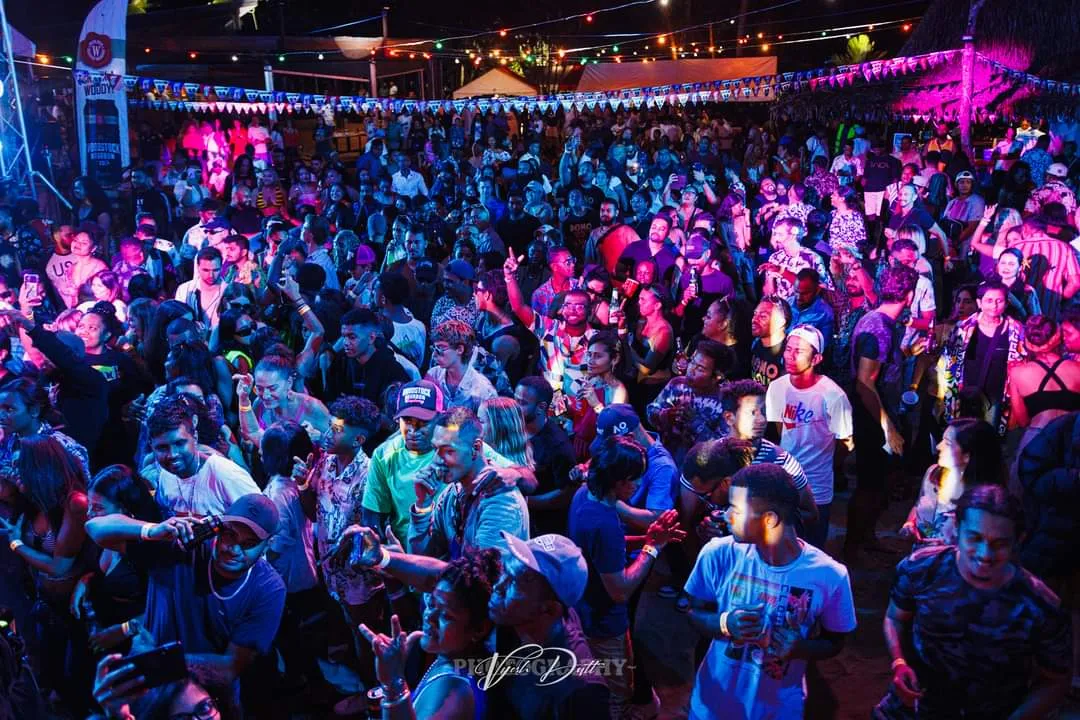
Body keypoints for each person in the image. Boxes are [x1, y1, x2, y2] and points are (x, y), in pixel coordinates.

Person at [681, 464, 857, 720]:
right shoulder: (717, 553)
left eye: (736, 510)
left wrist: (800, 648)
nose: (726, 515)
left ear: (769, 519)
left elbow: (835, 642)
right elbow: (692, 610)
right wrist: (724, 623)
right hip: (711, 706)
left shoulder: (830, 575)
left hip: (778, 710)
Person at [85, 493, 287, 713]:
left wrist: (159, 663)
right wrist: (152, 530)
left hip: (206, 693)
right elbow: (95, 528)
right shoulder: (183, 546)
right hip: (153, 682)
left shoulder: (268, 588)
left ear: (268, 545)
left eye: (249, 543)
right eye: (230, 534)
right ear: (219, 525)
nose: (234, 548)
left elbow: (230, 667)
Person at [881, 485, 1070, 719]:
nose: (985, 554)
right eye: (975, 538)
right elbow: (895, 618)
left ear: (1018, 540)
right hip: (911, 710)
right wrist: (899, 662)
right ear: (957, 529)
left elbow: (1056, 681)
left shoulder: (1040, 605)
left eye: (1000, 543)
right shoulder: (920, 569)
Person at [568, 435, 685, 717]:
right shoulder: (603, 522)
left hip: (585, 610)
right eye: (634, 479)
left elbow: (606, 550)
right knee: (616, 695)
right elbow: (620, 590)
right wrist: (652, 548)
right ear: (618, 481)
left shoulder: (585, 495)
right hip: (604, 623)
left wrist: (648, 536)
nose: (636, 486)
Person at [357, 550, 501, 720]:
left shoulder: (455, 691)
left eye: (446, 616)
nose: (429, 617)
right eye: (432, 604)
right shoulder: (449, 660)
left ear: (478, 630)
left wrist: (394, 684)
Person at [844, 264, 918, 558]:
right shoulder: (878, 328)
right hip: (871, 418)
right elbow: (865, 382)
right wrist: (889, 428)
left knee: (877, 484)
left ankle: (867, 538)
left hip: (877, 414)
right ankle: (853, 547)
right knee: (869, 484)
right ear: (909, 296)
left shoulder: (880, 322)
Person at [765, 326, 853, 549]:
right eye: (788, 348)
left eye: (800, 351)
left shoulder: (833, 395)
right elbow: (780, 430)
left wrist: (824, 463)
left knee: (811, 548)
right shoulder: (776, 388)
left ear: (817, 358)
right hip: (782, 482)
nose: (790, 355)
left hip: (816, 487)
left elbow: (846, 442)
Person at [407, 406, 531, 559]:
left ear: (475, 448)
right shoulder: (450, 495)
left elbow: (482, 577)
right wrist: (422, 506)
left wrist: (392, 561)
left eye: (448, 451)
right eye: (435, 449)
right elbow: (424, 558)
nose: (436, 460)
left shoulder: (501, 501)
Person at [143, 394, 260, 518]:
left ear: (195, 437)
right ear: (152, 447)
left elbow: (266, 521)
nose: (172, 455)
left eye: (180, 443)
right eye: (162, 448)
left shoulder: (226, 474)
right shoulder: (166, 476)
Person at [939, 279, 1025, 434]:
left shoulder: (1016, 330)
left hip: (997, 396)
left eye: (999, 301)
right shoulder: (963, 328)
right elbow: (950, 364)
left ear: (1006, 304)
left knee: (987, 440)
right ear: (979, 302)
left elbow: (1020, 367)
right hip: (964, 394)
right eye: (989, 300)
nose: (994, 305)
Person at [900, 418, 1001, 546]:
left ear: (967, 456)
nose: (938, 446)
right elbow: (918, 506)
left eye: (947, 443)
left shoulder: (981, 500)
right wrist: (910, 523)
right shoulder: (933, 475)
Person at [647, 339, 731, 464]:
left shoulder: (727, 399)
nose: (691, 370)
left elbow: (722, 447)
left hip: (702, 469)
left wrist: (695, 422)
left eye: (700, 369)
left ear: (718, 376)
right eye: (692, 362)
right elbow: (650, 411)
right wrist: (664, 415)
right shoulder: (677, 384)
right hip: (666, 460)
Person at [1007, 315, 1080, 453]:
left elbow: (1022, 420)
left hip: (1037, 438)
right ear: (1058, 338)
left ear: (1029, 343)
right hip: (1072, 438)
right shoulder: (1077, 368)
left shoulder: (1017, 373)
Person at [515, 376, 576, 536]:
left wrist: (525, 502)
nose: (515, 407)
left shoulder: (558, 446)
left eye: (522, 403)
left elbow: (566, 494)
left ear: (541, 407)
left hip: (541, 527)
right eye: (515, 400)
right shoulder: (512, 427)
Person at [318, 308, 410, 406]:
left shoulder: (392, 369)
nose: (345, 343)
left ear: (371, 338)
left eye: (352, 337)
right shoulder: (340, 362)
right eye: (344, 337)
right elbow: (329, 400)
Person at [234, 354, 330, 446]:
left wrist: (320, 438)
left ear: (289, 383)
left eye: (272, 388)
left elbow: (341, 444)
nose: (266, 396)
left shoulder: (312, 407)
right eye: (260, 388)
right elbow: (251, 432)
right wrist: (243, 398)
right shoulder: (259, 403)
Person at [426, 320, 498, 414]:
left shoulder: (483, 391)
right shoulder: (433, 375)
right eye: (434, 348)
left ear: (460, 349)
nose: (434, 355)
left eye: (441, 348)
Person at [174, 246, 226, 328]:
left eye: (216, 270)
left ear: (221, 267)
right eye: (206, 270)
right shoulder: (184, 290)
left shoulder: (228, 290)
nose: (211, 275)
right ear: (198, 267)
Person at [749, 295, 791, 387]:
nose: (754, 320)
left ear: (781, 322)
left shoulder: (789, 354)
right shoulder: (756, 343)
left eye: (763, 316)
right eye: (755, 314)